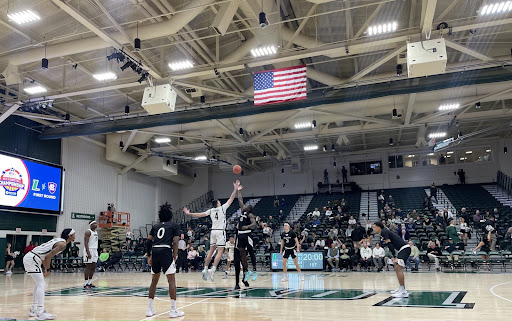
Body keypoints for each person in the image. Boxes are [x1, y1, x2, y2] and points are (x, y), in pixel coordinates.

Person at [184, 181, 240, 282]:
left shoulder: (211, 210)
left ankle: (205, 269)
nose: (220, 202)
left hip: (213, 231)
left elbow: (200, 215)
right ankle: (213, 269)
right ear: (218, 204)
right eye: (219, 202)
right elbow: (231, 198)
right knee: (220, 251)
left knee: (211, 251)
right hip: (220, 231)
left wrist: (189, 213)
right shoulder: (222, 208)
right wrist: (235, 189)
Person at [23, 228, 76, 320]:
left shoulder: (59, 241)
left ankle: (34, 309)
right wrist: (47, 269)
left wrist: (45, 268)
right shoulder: (62, 244)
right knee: (41, 284)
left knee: (39, 283)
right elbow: (47, 257)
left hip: (33, 258)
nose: (75, 235)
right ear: (70, 236)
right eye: (74, 234)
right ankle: (40, 312)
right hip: (33, 259)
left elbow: (45, 256)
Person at [145, 203, 183, 318]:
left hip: (155, 251)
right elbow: (175, 242)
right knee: (171, 280)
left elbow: (148, 241)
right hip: (166, 251)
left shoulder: (155, 226)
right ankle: (172, 310)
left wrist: (149, 256)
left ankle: (149, 309)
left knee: (154, 281)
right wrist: (175, 255)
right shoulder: (174, 225)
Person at [372, 221, 411, 298]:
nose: (373, 229)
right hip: (402, 249)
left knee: (398, 267)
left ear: (379, 227)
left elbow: (389, 245)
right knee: (396, 267)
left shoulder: (384, 232)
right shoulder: (383, 232)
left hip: (405, 248)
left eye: (374, 227)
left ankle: (403, 292)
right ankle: (401, 288)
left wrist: (394, 256)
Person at [234, 185, 258, 288]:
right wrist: (239, 191)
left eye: (247, 206)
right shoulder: (243, 211)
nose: (245, 206)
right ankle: (241, 278)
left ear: (249, 209)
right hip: (239, 236)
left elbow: (254, 224)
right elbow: (240, 199)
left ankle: (253, 270)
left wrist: (246, 226)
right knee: (239, 256)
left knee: (250, 252)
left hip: (247, 235)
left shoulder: (250, 215)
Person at [83, 220, 99, 289]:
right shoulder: (88, 232)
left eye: (96, 223)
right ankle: (85, 283)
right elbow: (85, 242)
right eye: (94, 224)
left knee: (93, 266)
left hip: (95, 250)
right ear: (91, 225)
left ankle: (89, 282)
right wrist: (88, 252)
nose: (96, 225)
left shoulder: (96, 232)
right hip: (89, 249)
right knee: (88, 267)